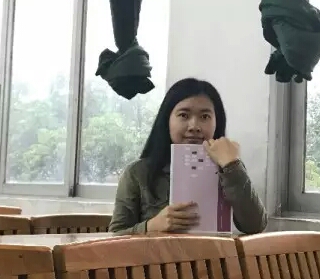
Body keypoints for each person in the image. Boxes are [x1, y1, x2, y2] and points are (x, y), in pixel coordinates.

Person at [109, 78, 267, 235]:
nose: (194, 126)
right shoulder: (137, 173)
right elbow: (114, 236)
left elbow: (255, 226)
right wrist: (150, 226)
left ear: (217, 122)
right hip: (157, 252)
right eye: (184, 115)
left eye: (205, 117)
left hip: (214, 251)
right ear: (167, 119)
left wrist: (232, 165)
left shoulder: (229, 167)